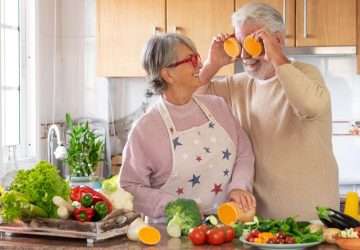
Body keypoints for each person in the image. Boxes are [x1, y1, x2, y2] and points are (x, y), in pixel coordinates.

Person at [199, 3, 339, 220]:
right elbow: (190, 99)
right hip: (261, 223)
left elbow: (310, 106)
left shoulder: (306, 74)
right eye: (239, 42)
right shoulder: (239, 85)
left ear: (278, 40)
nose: (244, 54)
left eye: (253, 42)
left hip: (313, 218)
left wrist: (276, 57)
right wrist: (211, 65)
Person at [119, 33, 255, 220]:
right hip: (173, 234)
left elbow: (244, 152)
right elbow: (129, 187)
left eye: (197, 57)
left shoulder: (218, 106)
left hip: (226, 228)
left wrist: (239, 186)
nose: (199, 64)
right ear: (168, 74)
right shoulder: (145, 129)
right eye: (191, 59)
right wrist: (173, 206)